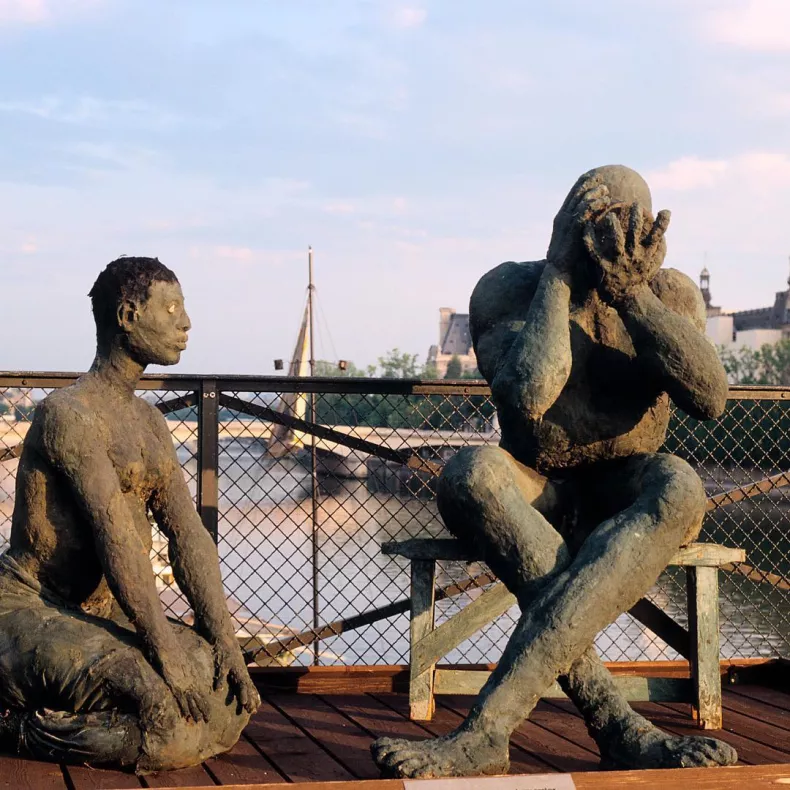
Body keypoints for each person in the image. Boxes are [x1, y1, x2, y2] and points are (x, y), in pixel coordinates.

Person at [372, 166, 737, 778]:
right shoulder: (509, 290)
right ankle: (619, 728)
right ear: (567, 225)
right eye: (597, 226)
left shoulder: (671, 295)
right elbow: (528, 394)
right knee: (471, 472)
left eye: (629, 226)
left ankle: (490, 729)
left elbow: (711, 399)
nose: (613, 240)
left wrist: (634, 296)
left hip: (621, 487)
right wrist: (560, 273)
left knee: (681, 485)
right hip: (533, 486)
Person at [0, 257, 258, 773]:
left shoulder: (148, 424)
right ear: (127, 316)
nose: (186, 323)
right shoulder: (67, 415)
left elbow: (189, 536)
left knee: (223, 698)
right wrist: (163, 651)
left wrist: (225, 644)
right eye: (172, 308)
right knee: (162, 713)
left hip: (100, 613)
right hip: (29, 607)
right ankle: (16, 727)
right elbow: (115, 538)